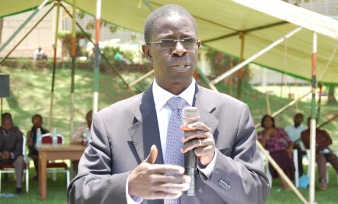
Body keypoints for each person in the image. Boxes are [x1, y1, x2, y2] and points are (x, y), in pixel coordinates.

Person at [67, 4, 270, 204]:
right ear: (147, 52)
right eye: (167, 42)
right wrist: (129, 186)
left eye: (188, 40)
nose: (180, 49)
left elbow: (257, 194)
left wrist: (215, 162)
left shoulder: (234, 115)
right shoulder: (110, 122)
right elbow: (79, 195)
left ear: (197, 47)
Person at [257, 114, 295, 190]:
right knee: (277, 159)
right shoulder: (260, 134)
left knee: (286, 156)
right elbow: (261, 147)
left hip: (284, 150)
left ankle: (289, 181)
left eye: (269, 120)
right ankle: (286, 185)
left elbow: (290, 142)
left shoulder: (280, 130)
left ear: (272, 122)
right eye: (265, 120)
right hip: (272, 153)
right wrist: (266, 134)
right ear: (262, 123)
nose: (267, 121)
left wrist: (290, 149)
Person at [301, 117, 338, 191]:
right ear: (307, 123)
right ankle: (323, 182)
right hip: (314, 153)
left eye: (313, 123)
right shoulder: (304, 133)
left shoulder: (322, 132)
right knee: (322, 159)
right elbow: (309, 143)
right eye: (310, 123)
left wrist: (318, 143)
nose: (312, 124)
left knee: (334, 158)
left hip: (325, 151)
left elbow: (329, 141)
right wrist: (322, 141)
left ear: (316, 123)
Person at [0, 117, 24, 195]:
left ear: (12, 124)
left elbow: (19, 150)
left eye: (9, 124)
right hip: (1, 156)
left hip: (14, 157)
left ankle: (18, 187)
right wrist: (1, 154)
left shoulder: (18, 133)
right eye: (5, 124)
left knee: (20, 159)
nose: (7, 126)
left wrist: (10, 154)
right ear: (1, 124)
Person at [26, 114, 49, 180]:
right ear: (32, 121)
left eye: (39, 120)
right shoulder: (30, 132)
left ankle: (41, 174)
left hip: (44, 151)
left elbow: (49, 142)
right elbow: (28, 143)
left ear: (42, 121)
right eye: (35, 120)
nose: (37, 121)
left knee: (43, 157)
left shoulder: (46, 132)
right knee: (37, 157)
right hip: (33, 151)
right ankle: (40, 174)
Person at [70, 110, 92, 175]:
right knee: (78, 165)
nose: (91, 118)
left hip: (96, 156)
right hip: (81, 155)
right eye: (89, 116)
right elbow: (73, 139)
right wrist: (82, 139)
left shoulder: (101, 126)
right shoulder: (82, 126)